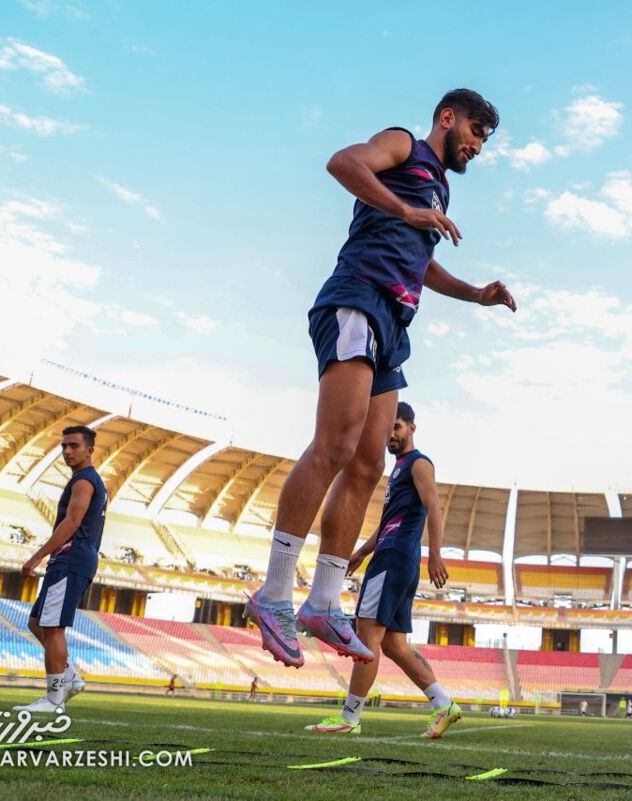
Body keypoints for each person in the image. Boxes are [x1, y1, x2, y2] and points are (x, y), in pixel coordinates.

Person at [245, 89, 515, 668]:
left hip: (394, 322)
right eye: (475, 130)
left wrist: (475, 294)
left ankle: (322, 601)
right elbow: (343, 163)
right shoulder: (404, 145)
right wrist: (407, 210)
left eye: (485, 139)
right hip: (357, 299)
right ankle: (272, 594)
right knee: (335, 445)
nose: (477, 144)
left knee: (369, 463)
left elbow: (423, 260)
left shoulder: (438, 186)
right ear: (447, 117)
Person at [305, 403, 461, 738]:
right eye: (388, 429)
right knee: (393, 645)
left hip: (395, 558)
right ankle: (444, 704)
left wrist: (435, 553)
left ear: (412, 429)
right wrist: (362, 551)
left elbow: (435, 505)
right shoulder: (399, 470)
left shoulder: (418, 463)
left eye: (398, 427)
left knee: (367, 637)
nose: (391, 434)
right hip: (391, 557)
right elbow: (389, 521)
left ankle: (349, 717)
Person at [14, 426, 106, 714]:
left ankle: (55, 700)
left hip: (71, 557)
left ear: (89, 450)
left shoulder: (84, 481)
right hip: (72, 559)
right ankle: (69, 677)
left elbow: (72, 523)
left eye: (74, 446)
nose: (67, 451)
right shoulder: (85, 480)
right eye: (64, 446)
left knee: (53, 626)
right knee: (37, 622)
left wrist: (37, 556)